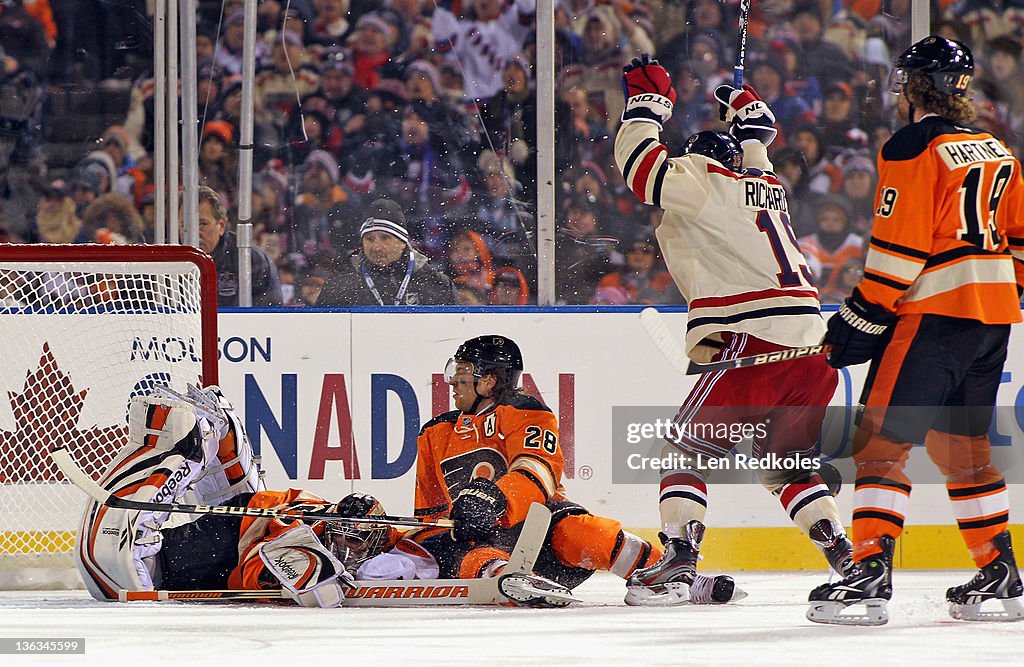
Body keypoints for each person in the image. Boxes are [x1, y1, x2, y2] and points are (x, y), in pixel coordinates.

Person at [613, 54, 853, 606]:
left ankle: (677, 560)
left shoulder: (704, 179)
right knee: (784, 464)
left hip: (755, 344)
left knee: (683, 456)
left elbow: (643, 170)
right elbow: (758, 155)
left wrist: (647, 106)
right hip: (813, 354)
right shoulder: (769, 187)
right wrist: (753, 132)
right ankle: (842, 551)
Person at [808, 36, 1024, 625]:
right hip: (992, 320)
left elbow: (899, 252)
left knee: (880, 449)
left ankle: (868, 575)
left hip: (932, 317)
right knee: (968, 454)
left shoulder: (912, 143)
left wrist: (861, 316)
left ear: (915, 86)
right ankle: (999, 574)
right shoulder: (995, 148)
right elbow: (1021, 245)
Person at [406, 334, 741, 604]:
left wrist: (493, 500)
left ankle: (672, 575)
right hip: (480, 537)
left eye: (462, 373)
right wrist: (442, 530)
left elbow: (537, 470)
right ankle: (509, 578)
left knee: (588, 534)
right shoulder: (434, 432)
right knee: (468, 551)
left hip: (541, 530)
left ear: (489, 380)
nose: (451, 381)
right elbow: (429, 511)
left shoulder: (523, 409)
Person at [315, 198, 457, 306]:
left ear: (403, 242)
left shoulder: (435, 283)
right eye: (369, 239)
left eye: (385, 238)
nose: (376, 247)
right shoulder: (342, 283)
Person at [195, 185, 283, 307]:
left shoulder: (252, 260)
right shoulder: (164, 261)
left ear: (221, 225)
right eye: (185, 226)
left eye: (202, 224)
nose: (194, 233)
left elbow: (270, 315)